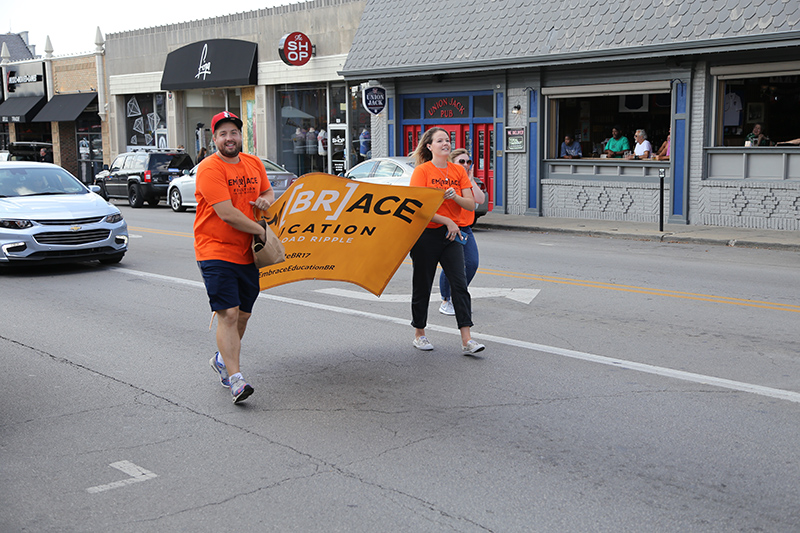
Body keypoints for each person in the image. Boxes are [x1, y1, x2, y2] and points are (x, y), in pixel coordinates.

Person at [194, 111, 275, 404]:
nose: (230, 138)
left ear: (241, 136)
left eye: (234, 132)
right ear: (214, 138)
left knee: (243, 315)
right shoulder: (209, 168)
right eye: (223, 133)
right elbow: (227, 213)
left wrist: (266, 199)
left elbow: (267, 190)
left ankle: (221, 359)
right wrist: (261, 231)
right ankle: (236, 379)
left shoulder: (253, 163)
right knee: (228, 314)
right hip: (214, 249)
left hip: (247, 253)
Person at [409, 128, 485, 355]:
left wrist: (456, 197)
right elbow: (417, 208)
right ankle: (419, 334)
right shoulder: (422, 171)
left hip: (452, 236)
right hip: (427, 235)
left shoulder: (458, 171)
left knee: (459, 285)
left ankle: (467, 339)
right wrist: (446, 220)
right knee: (422, 285)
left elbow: (472, 205)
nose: (445, 143)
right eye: (440, 140)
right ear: (429, 146)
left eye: (448, 140)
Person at [438, 148, 485, 316]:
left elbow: (480, 199)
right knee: (451, 265)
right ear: (452, 163)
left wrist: (470, 179)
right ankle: (446, 299)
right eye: (462, 162)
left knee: (471, 263)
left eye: (468, 162)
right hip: (451, 228)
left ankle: (458, 293)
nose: (466, 164)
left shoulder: (467, 181)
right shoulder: (449, 180)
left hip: (466, 229)